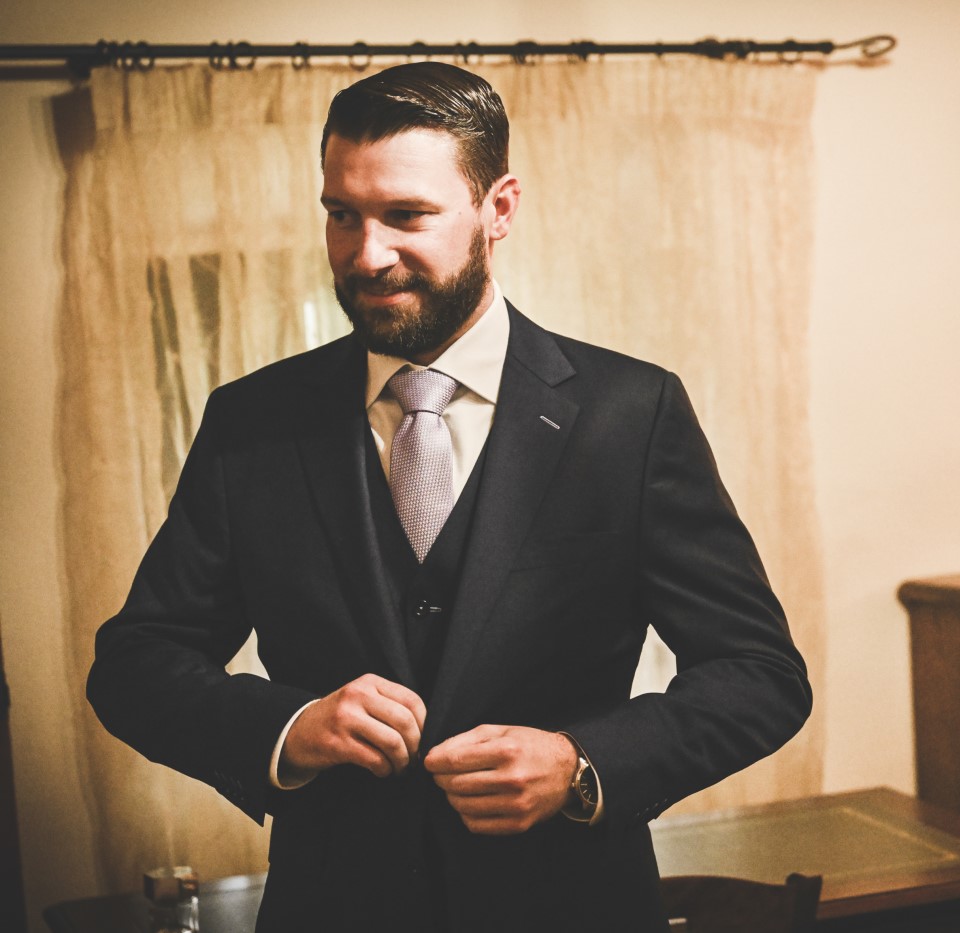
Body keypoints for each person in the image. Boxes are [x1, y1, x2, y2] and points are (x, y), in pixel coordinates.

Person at [87, 62, 811, 933]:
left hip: (570, 908)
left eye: (407, 215)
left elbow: (760, 674)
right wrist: (289, 727)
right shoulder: (251, 422)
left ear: (497, 209)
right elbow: (135, 664)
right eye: (341, 214)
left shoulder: (632, 414)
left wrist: (583, 763)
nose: (366, 254)